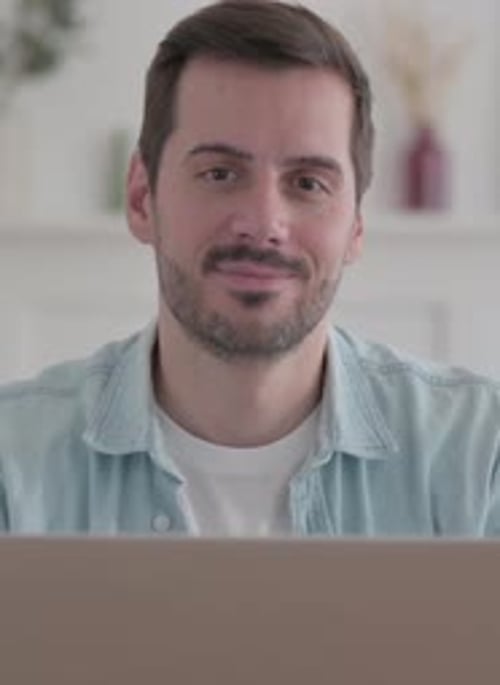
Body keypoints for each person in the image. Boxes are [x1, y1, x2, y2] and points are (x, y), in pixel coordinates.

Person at [0, 0, 499, 536]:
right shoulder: (13, 460)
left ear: (356, 225)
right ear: (143, 198)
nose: (263, 224)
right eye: (220, 173)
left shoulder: (480, 454)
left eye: (308, 183)